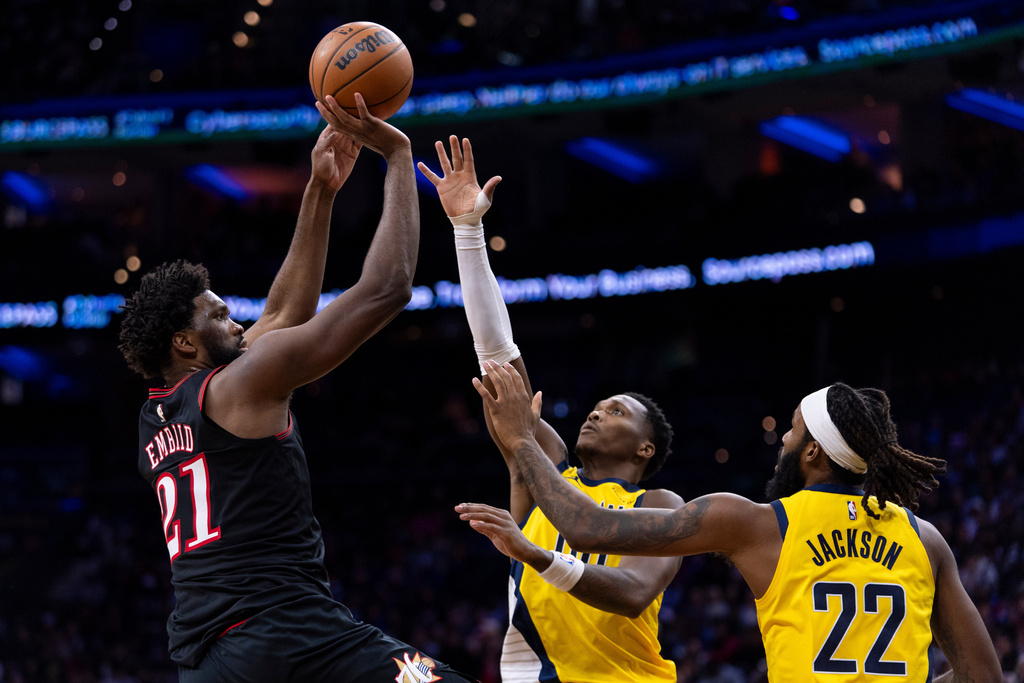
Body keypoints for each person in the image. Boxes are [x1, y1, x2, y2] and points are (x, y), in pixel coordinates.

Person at [119, 94, 476, 683]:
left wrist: (321, 190)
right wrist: (397, 155)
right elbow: (387, 288)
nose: (238, 323)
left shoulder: (158, 414)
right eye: (220, 316)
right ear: (185, 343)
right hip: (287, 634)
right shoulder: (240, 383)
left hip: (207, 660)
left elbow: (283, 311)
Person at [460, 362, 1003, 683]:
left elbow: (587, 529)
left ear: (813, 453)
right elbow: (983, 676)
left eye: (790, 433)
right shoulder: (924, 539)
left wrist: (517, 441)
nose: (782, 442)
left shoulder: (756, 523)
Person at [418, 137, 685, 682]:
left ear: (645, 446)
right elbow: (497, 357)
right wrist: (467, 232)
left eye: (615, 411)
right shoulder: (543, 470)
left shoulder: (658, 502)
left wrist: (532, 552)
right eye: (598, 405)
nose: (595, 412)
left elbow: (632, 595)